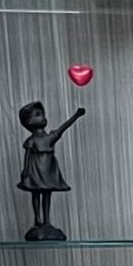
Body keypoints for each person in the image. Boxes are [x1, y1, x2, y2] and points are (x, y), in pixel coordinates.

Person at [17, 100, 85, 240]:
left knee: (47, 194)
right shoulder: (32, 140)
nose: (42, 117)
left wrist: (76, 115)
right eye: (37, 114)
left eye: (42, 114)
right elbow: (28, 156)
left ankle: (47, 220)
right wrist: (25, 171)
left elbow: (63, 127)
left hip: (48, 171)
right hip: (35, 171)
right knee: (36, 193)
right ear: (28, 121)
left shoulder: (49, 137)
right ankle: (38, 219)